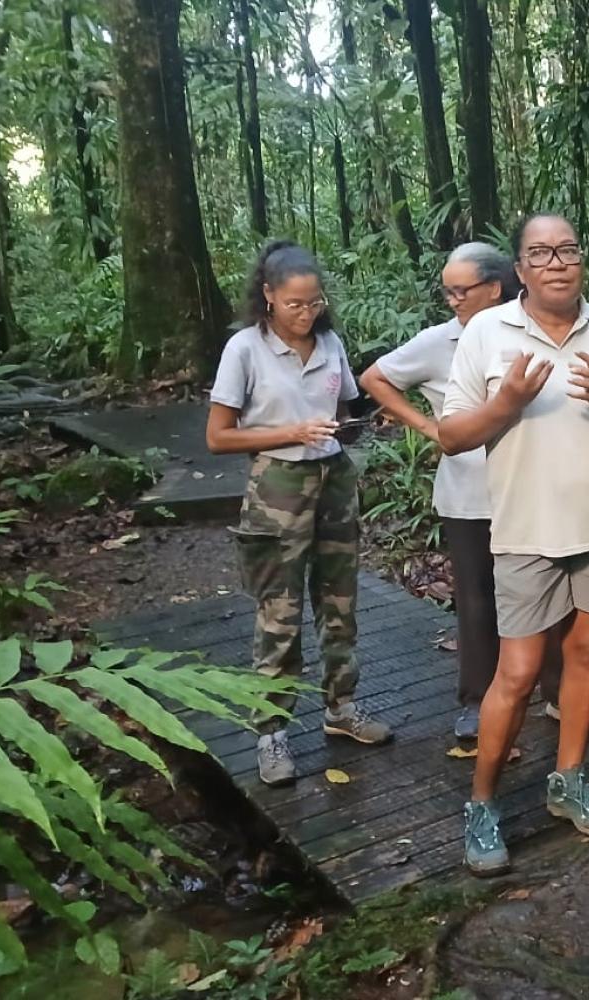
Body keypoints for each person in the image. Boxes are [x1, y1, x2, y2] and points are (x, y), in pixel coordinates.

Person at [439, 213, 589, 875]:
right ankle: (481, 804)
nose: (558, 263)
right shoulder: (486, 332)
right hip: (524, 532)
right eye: (541, 253)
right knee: (516, 672)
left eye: (569, 249)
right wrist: (507, 401)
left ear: (582, 260)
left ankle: (568, 779)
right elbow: (452, 437)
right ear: (520, 268)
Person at [359, 243, 569, 742]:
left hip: (537, 490)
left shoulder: (532, 329)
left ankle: (560, 694)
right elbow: (375, 377)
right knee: (477, 598)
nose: (451, 300)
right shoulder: (438, 342)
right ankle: (478, 700)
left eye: (460, 290)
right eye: (447, 291)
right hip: (470, 494)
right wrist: (429, 428)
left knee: (552, 592)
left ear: (493, 288)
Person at [207, 240, 393, 787]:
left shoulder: (330, 342)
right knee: (279, 613)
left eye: (313, 302)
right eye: (294, 304)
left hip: (334, 479)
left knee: (339, 604)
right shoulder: (244, 349)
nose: (306, 313)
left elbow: (341, 409)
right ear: (267, 296)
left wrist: (362, 425)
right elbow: (218, 437)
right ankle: (272, 733)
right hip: (277, 485)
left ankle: (341, 709)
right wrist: (292, 432)